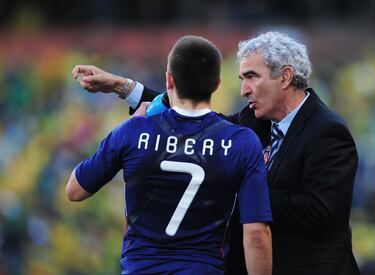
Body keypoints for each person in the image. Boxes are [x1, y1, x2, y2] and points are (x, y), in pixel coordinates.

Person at [73, 30, 360, 275]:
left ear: (284, 77)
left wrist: (246, 186)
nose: (244, 90)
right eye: (241, 78)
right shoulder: (254, 120)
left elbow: (322, 211)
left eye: (251, 77)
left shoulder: (327, 131)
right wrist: (124, 87)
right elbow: (194, 117)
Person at [67, 35, 273, 275]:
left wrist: (127, 126)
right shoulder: (242, 142)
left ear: (169, 80)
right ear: (217, 83)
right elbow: (257, 234)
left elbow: (75, 190)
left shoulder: (133, 131)